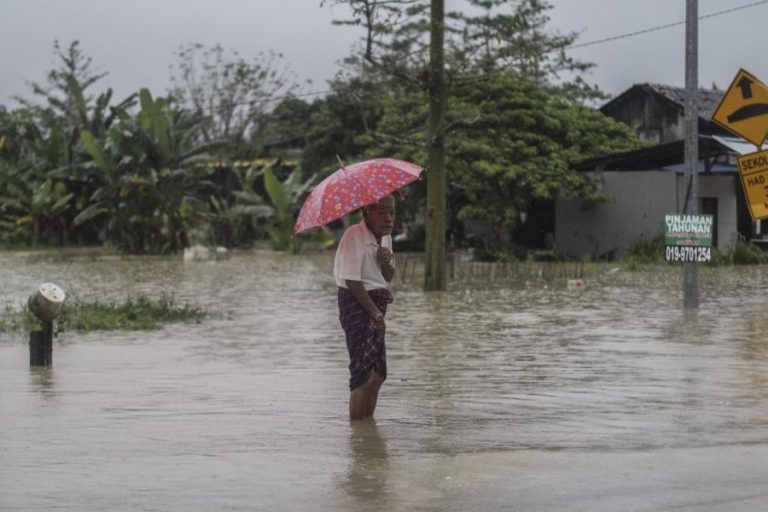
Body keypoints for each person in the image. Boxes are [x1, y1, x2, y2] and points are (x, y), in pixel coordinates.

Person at [334, 195, 396, 421]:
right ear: (366, 213)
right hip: (356, 301)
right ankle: (358, 433)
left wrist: (386, 261)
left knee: (378, 375)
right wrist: (376, 315)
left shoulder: (386, 239)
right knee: (363, 375)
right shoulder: (354, 235)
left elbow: (387, 277)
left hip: (375, 303)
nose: (388, 218)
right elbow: (351, 280)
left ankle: (367, 428)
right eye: (381, 212)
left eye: (391, 213)